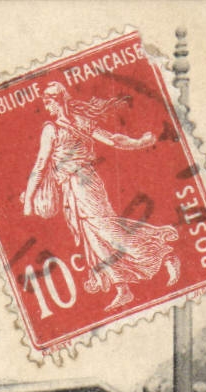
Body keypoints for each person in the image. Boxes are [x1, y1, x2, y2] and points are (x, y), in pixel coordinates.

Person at [20, 82, 180, 312]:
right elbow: (41, 164)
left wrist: (140, 142)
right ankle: (122, 288)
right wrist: (29, 199)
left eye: (49, 102)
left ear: (60, 100)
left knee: (107, 230)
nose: (47, 107)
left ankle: (164, 255)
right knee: (93, 238)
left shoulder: (72, 124)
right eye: (45, 103)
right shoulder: (53, 128)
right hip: (70, 190)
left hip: (86, 184)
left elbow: (113, 139)